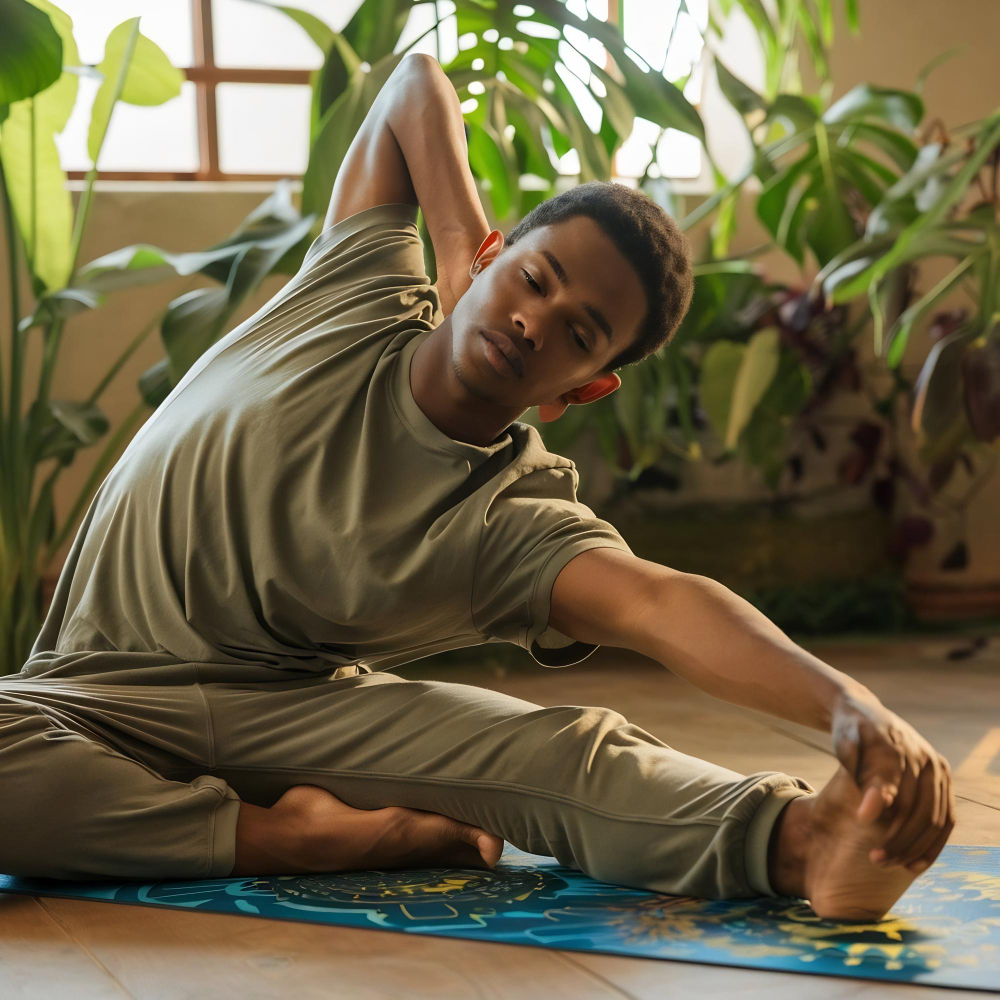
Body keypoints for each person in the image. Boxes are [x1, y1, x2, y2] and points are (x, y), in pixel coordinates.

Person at [0, 54, 953, 921]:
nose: (538, 320)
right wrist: (455, 242)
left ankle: (806, 843)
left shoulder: (511, 519)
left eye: (579, 332)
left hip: (290, 717)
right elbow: (410, 85)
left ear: (586, 387)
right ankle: (291, 837)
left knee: (552, 752)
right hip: (85, 693)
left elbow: (661, 604)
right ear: (495, 256)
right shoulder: (358, 290)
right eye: (535, 279)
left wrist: (846, 706)